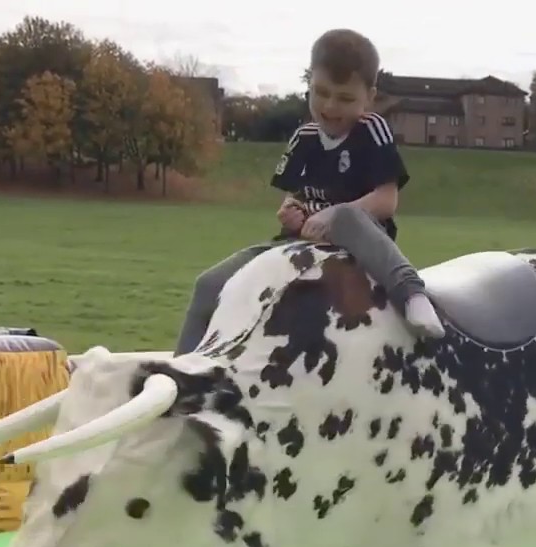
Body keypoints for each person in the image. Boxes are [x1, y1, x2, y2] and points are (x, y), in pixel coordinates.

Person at [174, 28, 443, 355]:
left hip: (358, 246)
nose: (330, 106)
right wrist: (291, 212)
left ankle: (412, 293)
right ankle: (183, 370)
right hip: (300, 244)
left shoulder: (371, 131)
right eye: (321, 92)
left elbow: (387, 200)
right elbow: (294, 197)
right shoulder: (304, 138)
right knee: (209, 284)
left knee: (346, 214)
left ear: (369, 97)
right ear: (309, 84)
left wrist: (333, 216)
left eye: (345, 98)